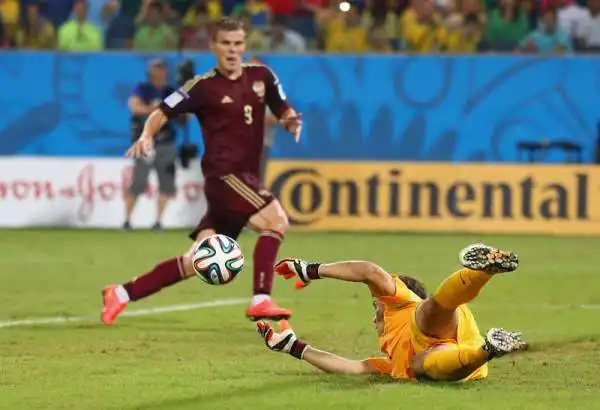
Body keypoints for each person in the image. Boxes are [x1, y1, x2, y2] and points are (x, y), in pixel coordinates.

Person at [101, 18, 302, 325]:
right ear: (213, 46)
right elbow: (161, 112)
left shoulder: (263, 76)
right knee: (276, 221)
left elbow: (281, 106)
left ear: (244, 45)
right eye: (226, 43)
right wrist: (146, 135)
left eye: (238, 43)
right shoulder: (202, 87)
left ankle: (121, 293)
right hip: (224, 175)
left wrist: (290, 119)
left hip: (245, 176)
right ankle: (261, 299)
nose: (232, 50)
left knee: (197, 259)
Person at [256, 243, 527, 382]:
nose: (375, 316)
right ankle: (490, 347)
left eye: (376, 307)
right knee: (421, 363)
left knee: (427, 313)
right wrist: (293, 347)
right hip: (467, 360)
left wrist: (310, 269)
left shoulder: (401, 303)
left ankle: (482, 270)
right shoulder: (391, 358)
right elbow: (352, 367)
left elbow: (368, 271)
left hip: (441, 326)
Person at [124, 58, 177, 231]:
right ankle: (127, 219)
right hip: (145, 142)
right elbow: (134, 106)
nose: (160, 73)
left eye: (162, 69)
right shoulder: (143, 88)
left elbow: (185, 110)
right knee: (138, 181)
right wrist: (157, 111)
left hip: (166, 141)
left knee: (166, 182)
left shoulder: (171, 91)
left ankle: (158, 221)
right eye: (157, 69)